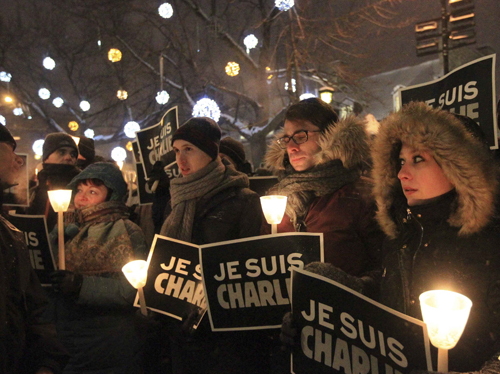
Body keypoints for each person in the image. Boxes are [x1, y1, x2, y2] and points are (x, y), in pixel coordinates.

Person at [371, 101, 500, 372]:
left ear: (458, 171)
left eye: (419, 159)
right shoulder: (400, 235)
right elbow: (386, 299)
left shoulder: (489, 243)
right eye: (401, 161)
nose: (403, 173)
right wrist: (319, 300)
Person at [157, 117, 265, 373]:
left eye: (189, 150)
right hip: (180, 327)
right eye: (176, 151)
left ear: (210, 152)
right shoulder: (176, 198)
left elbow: (249, 271)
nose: (180, 160)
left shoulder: (243, 200)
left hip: (223, 338)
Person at [264, 98, 383, 289]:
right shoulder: (275, 199)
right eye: (286, 138)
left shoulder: (362, 196)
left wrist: (352, 286)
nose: (291, 147)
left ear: (330, 136)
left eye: (301, 136)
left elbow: (387, 268)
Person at [49, 162, 149, 374]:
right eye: (79, 190)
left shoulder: (127, 231)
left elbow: (132, 290)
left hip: (108, 346)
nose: (81, 198)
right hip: (68, 342)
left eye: (92, 191)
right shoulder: (67, 227)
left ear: (111, 196)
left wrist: (80, 285)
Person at [0, 125, 68, 374]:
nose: (19, 160)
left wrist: (47, 360)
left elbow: (29, 302)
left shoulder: (8, 232)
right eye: (10, 149)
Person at [27, 133, 80, 229]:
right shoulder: (33, 190)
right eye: (62, 152)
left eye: (73, 154)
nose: (68, 157)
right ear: (46, 157)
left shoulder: (80, 186)